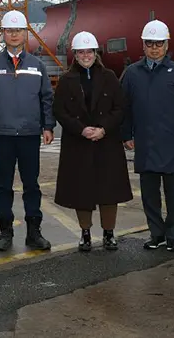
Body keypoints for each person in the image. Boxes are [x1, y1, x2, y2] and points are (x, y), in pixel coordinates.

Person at [0, 10, 54, 252]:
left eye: (18, 30)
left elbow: (46, 98)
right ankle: (5, 232)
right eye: (9, 31)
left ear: (25, 34)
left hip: (30, 134)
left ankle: (33, 232)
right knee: (3, 185)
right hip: (3, 134)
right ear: (3, 34)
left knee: (32, 184)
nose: (14, 35)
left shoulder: (37, 65)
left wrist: (48, 126)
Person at [120, 20, 174, 253]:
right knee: (149, 195)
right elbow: (125, 107)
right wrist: (126, 135)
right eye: (150, 44)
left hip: (172, 143)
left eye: (159, 44)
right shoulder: (132, 73)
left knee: (173, 194)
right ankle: (156, 234)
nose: (155, 48)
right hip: (145, 142)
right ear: (143, 45)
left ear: (166, 45)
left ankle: (173, 236)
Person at [52, 31, 132, 252]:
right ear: (75, 55)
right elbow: (59, 110)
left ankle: (109, 233)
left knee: (109, 190)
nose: (86, 55)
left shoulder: (109, 77)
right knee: (81, 190)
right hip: (78, 143)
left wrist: (103, 129)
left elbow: (120, 108)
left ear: (96, 53)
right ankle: (85, 233)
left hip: (106, 142)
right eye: (81, 52)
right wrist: (81, 129)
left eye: (89, 51)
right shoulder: (66, 80)